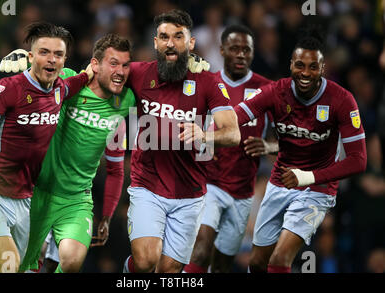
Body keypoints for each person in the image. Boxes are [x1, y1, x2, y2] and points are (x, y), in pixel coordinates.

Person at [0, 22, 93, 273]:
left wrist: (91, 72)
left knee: (10, 268)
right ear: (30, 56)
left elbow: (79, 81)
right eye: (44, 52)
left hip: (24, 202)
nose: (51, 59)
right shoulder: (8, 89)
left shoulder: (59, 89)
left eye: (58, 54)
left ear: (64, 60)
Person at [233, 29, 367, 273]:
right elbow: (236, 115)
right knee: (257, 262)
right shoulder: (276, 91)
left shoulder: (342, 101)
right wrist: (204, 130)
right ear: (291, 65)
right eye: (300, 65)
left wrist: (307, 177)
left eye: (313, 67)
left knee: (280, 258)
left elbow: (359, 160)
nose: (305, 73)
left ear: (323, 68)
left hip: (317, 188)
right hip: (280, 181)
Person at [123, 9, 240, 273]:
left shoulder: (208, 81)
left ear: (190, 43)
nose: (170, 43)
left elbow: (233, 133)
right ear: (155, 43)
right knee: (145, 261)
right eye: (164, 37)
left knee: (170, 270)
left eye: (178, 36)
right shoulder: (139, 73)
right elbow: (101, 71)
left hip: (190, 194)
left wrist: (205, 135)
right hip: (147, 186)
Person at [13, 33, 134, 273]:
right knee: (25, 264)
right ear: (95, 64)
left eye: (125, 65)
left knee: (70, 262)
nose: (120, 71)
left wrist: (107, 215)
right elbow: (37, 81)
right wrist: (23, 66)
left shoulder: (125, 102)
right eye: (113, 63)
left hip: (76, 200)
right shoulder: (68, 79)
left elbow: (115, 167)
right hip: (38, 191)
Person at [182, 24, 277, 273]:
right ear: (222, 50)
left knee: (223, 264)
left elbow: (293, 139)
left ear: (253, 53)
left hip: (243, 191)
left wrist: (268, 145)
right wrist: (202, 145)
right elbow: (189, 130)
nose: (241, 54)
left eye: (247, 49)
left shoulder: (268, 90)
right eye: (235, 48)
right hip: (209, 183)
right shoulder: (207, 84)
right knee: (201, 249)